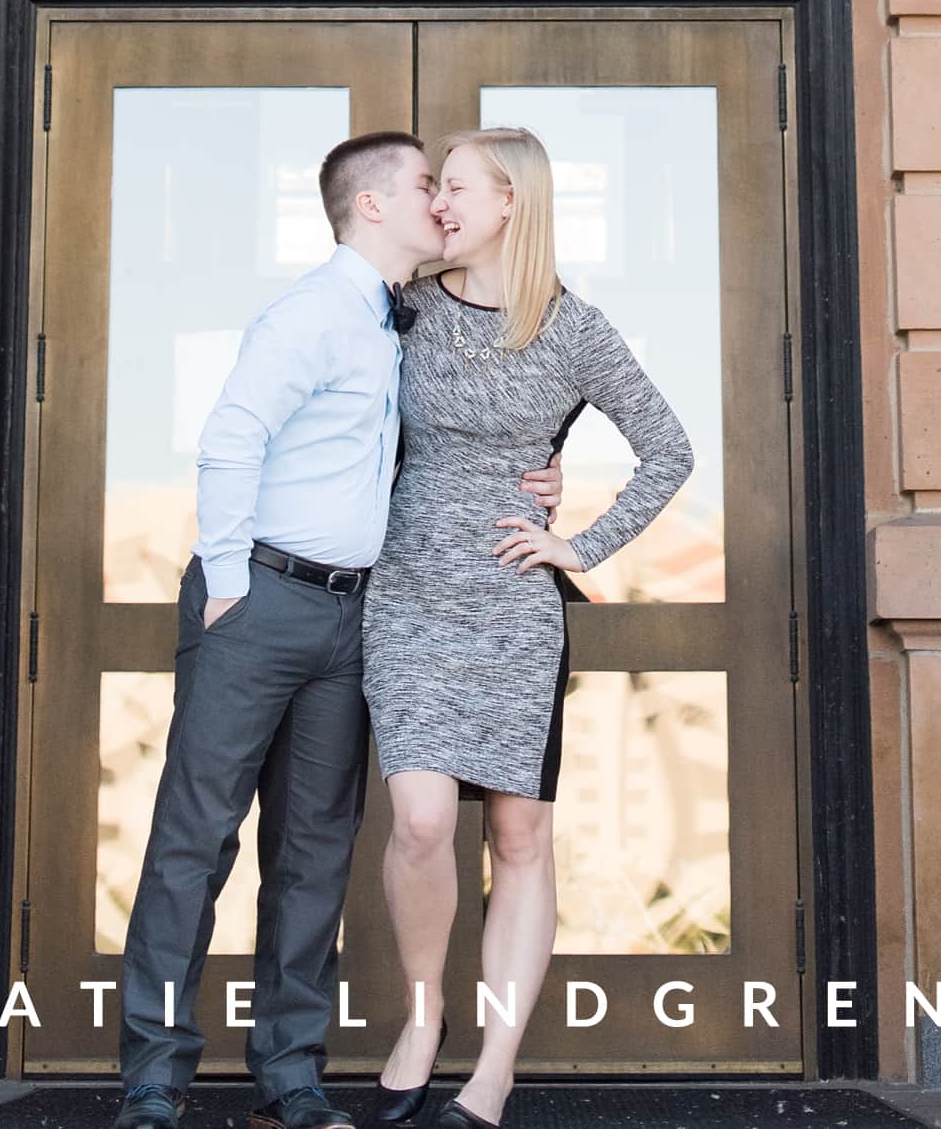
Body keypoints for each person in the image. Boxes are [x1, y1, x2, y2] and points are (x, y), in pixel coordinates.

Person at [113, 131, 565, 1129]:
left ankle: (290, 1071)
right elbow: (231, 435)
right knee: (195, 840)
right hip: (260, 600)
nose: (439, 207)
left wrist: (544, 473)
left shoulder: (404, 322)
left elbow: (453, 440)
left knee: (315, 848)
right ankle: (154, 1078)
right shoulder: (311, 315)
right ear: (369, 206)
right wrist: (229, 582)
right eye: (422, 188)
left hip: (356, 612)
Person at [363, 126, 693, 1129]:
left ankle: (491, 1072)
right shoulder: (401, 307)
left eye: (454, 187)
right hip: (407, 592)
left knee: (517, 833)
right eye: (435, 189)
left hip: (510, 608)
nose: (439, 204)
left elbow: (668, 452)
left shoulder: (572, 327)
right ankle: (422, 1019)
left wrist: (580, 546)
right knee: (420, 821)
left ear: (511, 202)